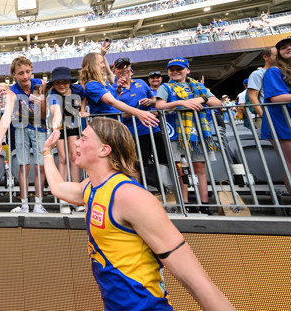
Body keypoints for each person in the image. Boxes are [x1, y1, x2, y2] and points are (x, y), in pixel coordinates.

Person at [42, 118, 235, 311]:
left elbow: (196, 281)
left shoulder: (130, 196)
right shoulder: (91, 187)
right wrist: (46, 152)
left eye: (83, 138)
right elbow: (59, 188)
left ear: (104, 150)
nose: (76, 142)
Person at [155, 58, 221, 213]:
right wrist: (181, 103)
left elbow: (217, 103)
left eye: (179, 69)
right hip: (177, 134)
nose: (175, 72)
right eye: (172, 69)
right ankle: (185, 204)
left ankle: (204, 205)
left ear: (187, 70)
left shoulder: (198, 86)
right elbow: (159, 105)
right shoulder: (166, 87)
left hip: (197, 132)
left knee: (200, 167)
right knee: (181, 169)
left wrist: (202, 99)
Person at [0, 57, 48, 213]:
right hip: (21, 128)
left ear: (32, 70)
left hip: (40, 128)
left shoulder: (41, 84)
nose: (25, 77)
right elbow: (7, 115)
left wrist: (41, 100)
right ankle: (24, 205)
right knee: (24, 166)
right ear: (14, 75)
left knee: (40, 167)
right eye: (21, 73)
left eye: (28, 72)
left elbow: (44, 113)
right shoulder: (11, 92)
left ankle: (38, 204)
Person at [110, 58, 167, 189]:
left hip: (153, 129)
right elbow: (115, 112)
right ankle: (139, 193)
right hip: (132, 133)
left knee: (165, 160)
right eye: (120, 67)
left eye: (126, 66)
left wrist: (150, 102)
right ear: (114, 71)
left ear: (130, 68)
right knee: (137, 165)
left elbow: (154, 100)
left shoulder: (141, 82)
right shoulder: (113, 88)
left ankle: (169, 191)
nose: (124, 70)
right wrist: (137, 113)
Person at [79, 51, 159, 128]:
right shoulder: (92, 84)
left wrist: (118, 89)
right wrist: (139, 112)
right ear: (93, 65)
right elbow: (111, 101)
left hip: (114, 124)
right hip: (105, 126)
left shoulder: (103, 83)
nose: (104, 65)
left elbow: (114, 98)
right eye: (101, 63)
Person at [46, 66, 85, 214]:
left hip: (74, 126)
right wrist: (55, 129)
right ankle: (64, 199)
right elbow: (56, 111)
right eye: (58, 83)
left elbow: (85, 98)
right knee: (62, 158)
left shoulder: (79, 90)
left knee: (75, 157)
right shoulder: (53, 95)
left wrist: (82, 109)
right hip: (59, 127)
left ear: (70, 82)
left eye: (65, 82)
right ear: (53, 85)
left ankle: (75, 196)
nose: (62, 85)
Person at [261, 37, 291, 193]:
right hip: (282, 123)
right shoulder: (274, 71)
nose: (288, 48)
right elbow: (276, 98)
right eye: (284, 47)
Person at [246, 46, 277, 130]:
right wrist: (263, 115)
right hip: (271, 115)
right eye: (276, 55)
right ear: (265, 57)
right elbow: (252, 96)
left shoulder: (284, 72)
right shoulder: (257, 74)